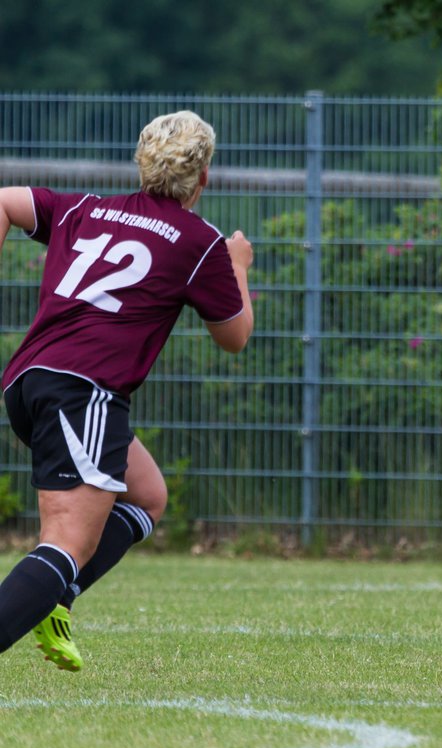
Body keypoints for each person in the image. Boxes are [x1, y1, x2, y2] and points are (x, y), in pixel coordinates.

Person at [0, 110, 254, 671]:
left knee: (146, 496)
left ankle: (55, 595)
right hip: (82, 390)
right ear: (204, 175)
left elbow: (4, 200)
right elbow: (235, 338)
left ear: (141, 164)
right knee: (66, 543)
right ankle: (52, 584)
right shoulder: (199, 240)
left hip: (30, 378)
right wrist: (237, 266)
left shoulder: (87, 208)